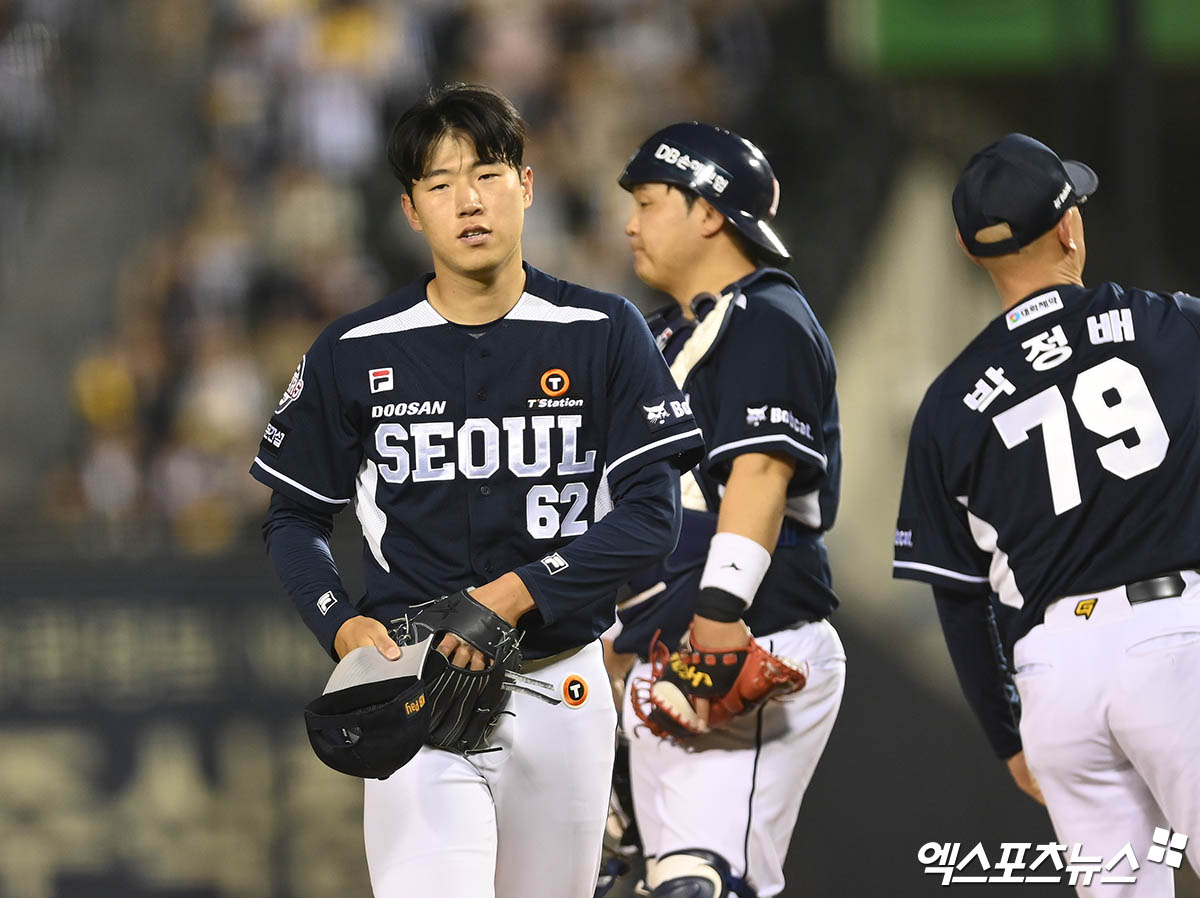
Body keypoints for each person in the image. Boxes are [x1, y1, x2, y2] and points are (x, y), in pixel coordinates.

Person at [250, 83, 704, 898]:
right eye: (439, 183)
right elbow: (293, 518)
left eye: (489, 173)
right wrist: (338, 623)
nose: (469, 200)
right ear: (410, 211)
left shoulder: (603, 331)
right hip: (417, 688)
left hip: (562, 686)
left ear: (527, 187)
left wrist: (511, 594)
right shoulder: (354, 350)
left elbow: (652, 518)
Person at [893, 132, 1200, 896]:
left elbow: (959, 599)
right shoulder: (1174, 326)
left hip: (1054, 683)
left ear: (971, 251)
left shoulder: (946, 409)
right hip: (1175, 644)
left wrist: (1010, 738)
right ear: (1070, 227)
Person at [603, 122, 847, 898]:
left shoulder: (764, 315)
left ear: (708, 211)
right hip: (659, 654)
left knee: (701, 883)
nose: (631, 223)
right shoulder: (663, 332)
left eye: (648, 202)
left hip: (738, 638)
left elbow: (762, 472)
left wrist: (716, 618)